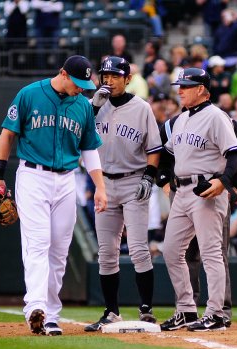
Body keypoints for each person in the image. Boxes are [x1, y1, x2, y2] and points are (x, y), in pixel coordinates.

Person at [0, 55, 106, 335]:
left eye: (84, 84)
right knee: (38, 242)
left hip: (66, 180)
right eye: (77, 83)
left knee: (60, 251)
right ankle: (36, 307)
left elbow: (89, 149)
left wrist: (100, 186)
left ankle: (51, 315)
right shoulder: (29, 94)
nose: (80, 88)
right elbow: (7, 135)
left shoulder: (83, 107)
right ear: (63, 73)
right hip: (32, 176)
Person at [83, 56, 162, 332]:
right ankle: (111, 311)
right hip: (104, 183)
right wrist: (93, 106)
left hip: (132, 182)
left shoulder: (142, 108)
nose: (109, 80)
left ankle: (146, 310)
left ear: (127, 79)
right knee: (106, 253)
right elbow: (79, 135)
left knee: (140, 249)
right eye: (105, 75)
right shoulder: (93, 105)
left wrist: (149, 177)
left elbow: (154, 149)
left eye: (115, 76)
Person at [160, 68, 237, 332]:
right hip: (182, 191)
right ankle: (186, 309)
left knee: (210, 253)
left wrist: (223, 181)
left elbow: (235, 154)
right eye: (179, 85)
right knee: (171, 250)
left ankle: (216, 313)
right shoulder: (182, 119)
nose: (180, 89)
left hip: (207, 190)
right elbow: (169, 154)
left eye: (186, 85)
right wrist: (165, 177)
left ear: (202, 90)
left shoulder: (217, 116)